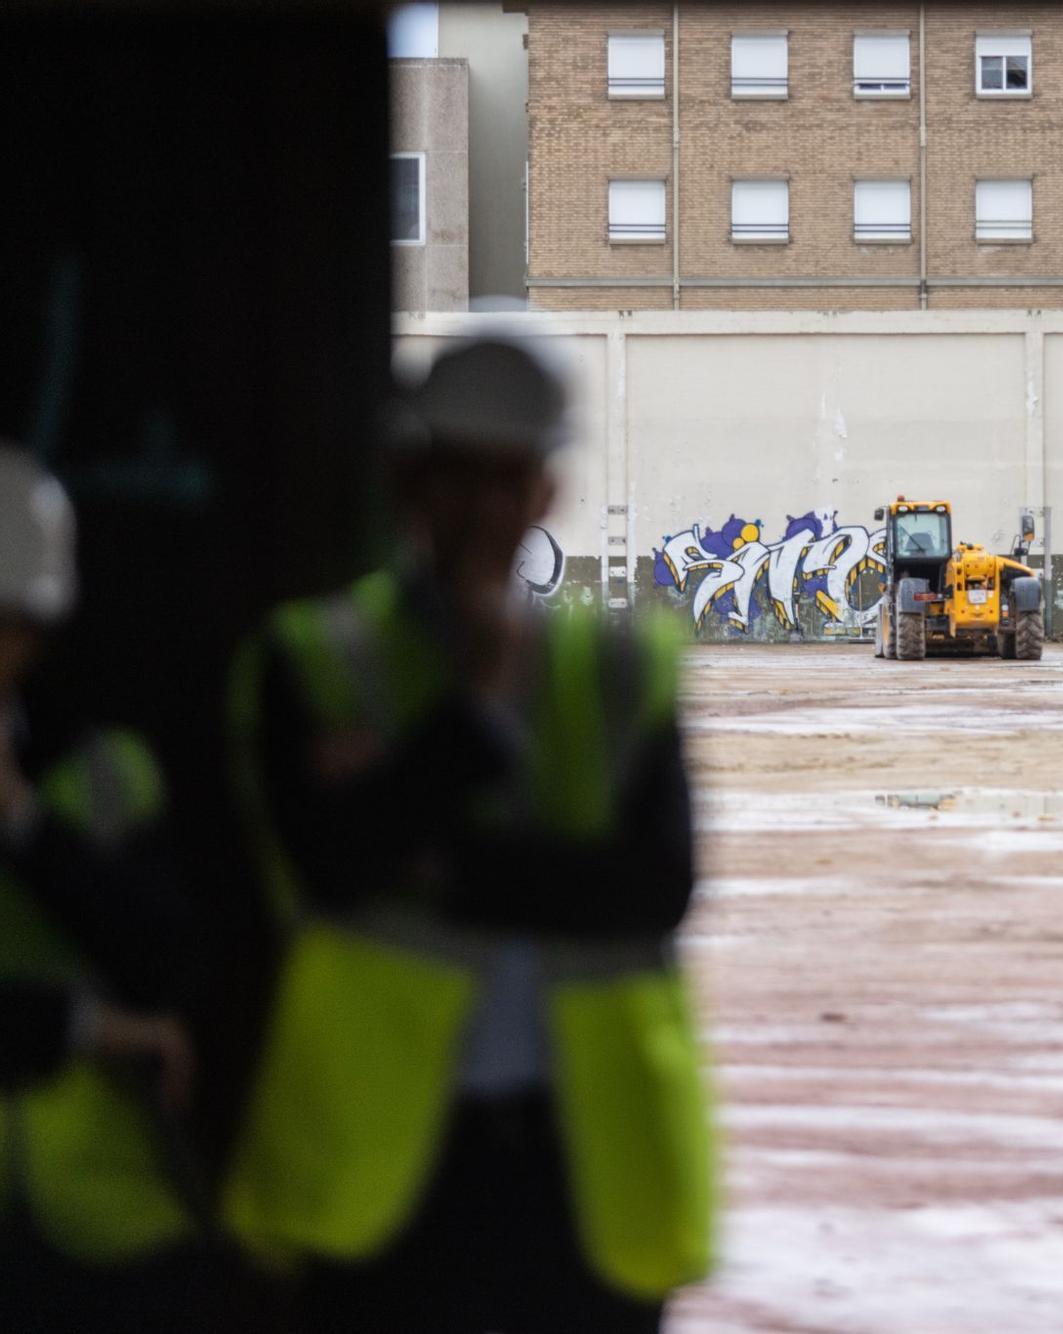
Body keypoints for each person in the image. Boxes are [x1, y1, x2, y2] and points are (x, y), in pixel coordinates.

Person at [221, 338, 713, 1333]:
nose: (485, 509)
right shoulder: (316, 658)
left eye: (508, 477)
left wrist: (430, 854)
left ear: (545, 490)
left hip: (587, 1171)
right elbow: (333, 865)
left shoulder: (620, 668)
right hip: (387, 1180)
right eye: (458, 477)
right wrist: (477, 713)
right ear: (408, 481)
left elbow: (655, 886)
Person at [0, 445, 213, 1332]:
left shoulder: (102, 771)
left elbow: (164, 959)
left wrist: (23, 821)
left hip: (104, 1229)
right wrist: (88, 1031)